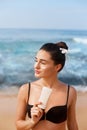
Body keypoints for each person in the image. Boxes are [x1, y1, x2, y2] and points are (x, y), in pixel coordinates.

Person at [15, 41, 78, 130]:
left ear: (57, 67)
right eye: (36, 60)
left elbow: (72, 124)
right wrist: (32, 121)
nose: (36, 66)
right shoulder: (26, 89)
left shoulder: (70, 92)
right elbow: (18, 125)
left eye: (43, 63)